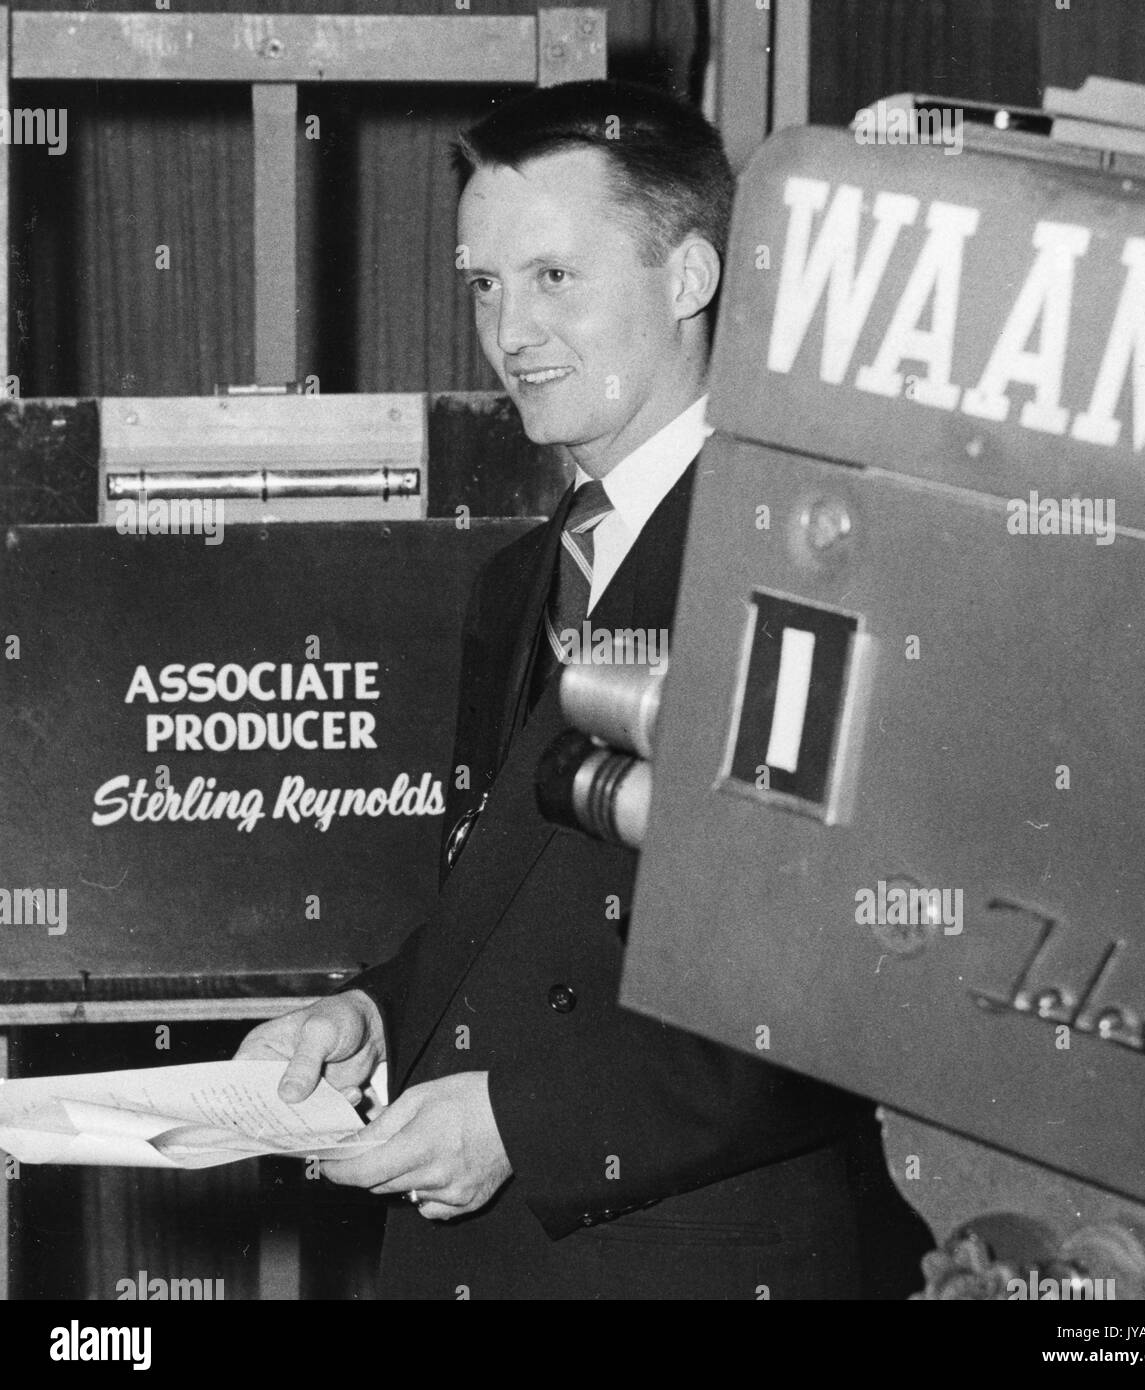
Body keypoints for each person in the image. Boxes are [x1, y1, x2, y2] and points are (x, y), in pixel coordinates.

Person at [237, 79, 928, 1299]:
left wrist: (521, 1122)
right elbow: (517, 913)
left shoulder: (802, 556)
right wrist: (375, 1017)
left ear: (690, 277)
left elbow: (837, 995)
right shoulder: (520, 579)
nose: (511, 332)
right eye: (484, 285)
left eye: (554, 276)